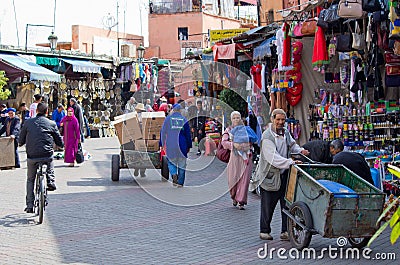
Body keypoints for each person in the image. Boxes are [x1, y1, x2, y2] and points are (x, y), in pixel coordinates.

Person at [250, 108, 309, 241]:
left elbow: (292, 145)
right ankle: (264, 230)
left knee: (286, 205)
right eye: (278, 119)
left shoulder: (286, 132)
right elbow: (273, 158)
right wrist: (290, 162)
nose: (281, 122)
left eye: (283, 120)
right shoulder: (267, 137)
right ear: (272, 119)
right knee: (268, 205)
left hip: (285, 174)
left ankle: (285, 231)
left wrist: (301, 151)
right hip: (270, 176)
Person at [19, 103, 64, 213]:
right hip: (46, 154)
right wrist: (61, 145)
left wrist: (21, 143)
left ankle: (29, 205)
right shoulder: (51, 123)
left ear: (37, 111)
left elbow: (21, 140)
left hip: (32, 155)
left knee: (30, 179)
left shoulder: (28, 123)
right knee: (50, 161)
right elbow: (59, 141)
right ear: (47, 112)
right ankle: (50, 181)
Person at [221, 111, 256, 210]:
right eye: (234, 118)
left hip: (246, 156)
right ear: (231, 119)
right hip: (234, 157)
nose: (236, 119)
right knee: (233, 178)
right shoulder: (228, 130)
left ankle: (241, 201)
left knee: (245, 179)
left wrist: (247, 145)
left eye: (238, 117)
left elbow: (254, 139)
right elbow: (224, 142)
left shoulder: (246, 129)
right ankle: (234, 196)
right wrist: (234, 145)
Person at [160, 103, 192, 187]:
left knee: (171, 162)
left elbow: (163, 132)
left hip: (171, 144)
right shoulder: (184, 119)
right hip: (182, 144)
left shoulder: (168, 119)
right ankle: (180, 183)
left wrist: (162, 143)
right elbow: (188, 134)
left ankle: (174, 174)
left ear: (173, 110)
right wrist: (189, 145)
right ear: (180, 110)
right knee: (182, 164)